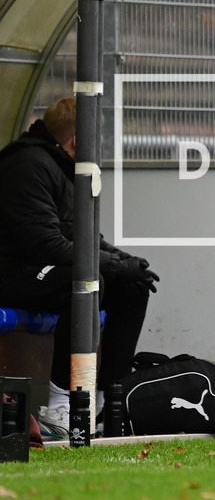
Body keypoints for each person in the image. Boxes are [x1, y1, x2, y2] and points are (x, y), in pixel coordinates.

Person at [0, 97, 159, 438]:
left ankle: (105, 401)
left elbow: (82, 236)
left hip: (39, 268)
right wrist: (113, 266)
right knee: (86, 284)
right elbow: (44, 244)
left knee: (132, 286)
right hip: (12, 272)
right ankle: (61, 405)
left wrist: (127, 263)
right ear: (76, 141)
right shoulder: (28, 165)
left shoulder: (59, 166)